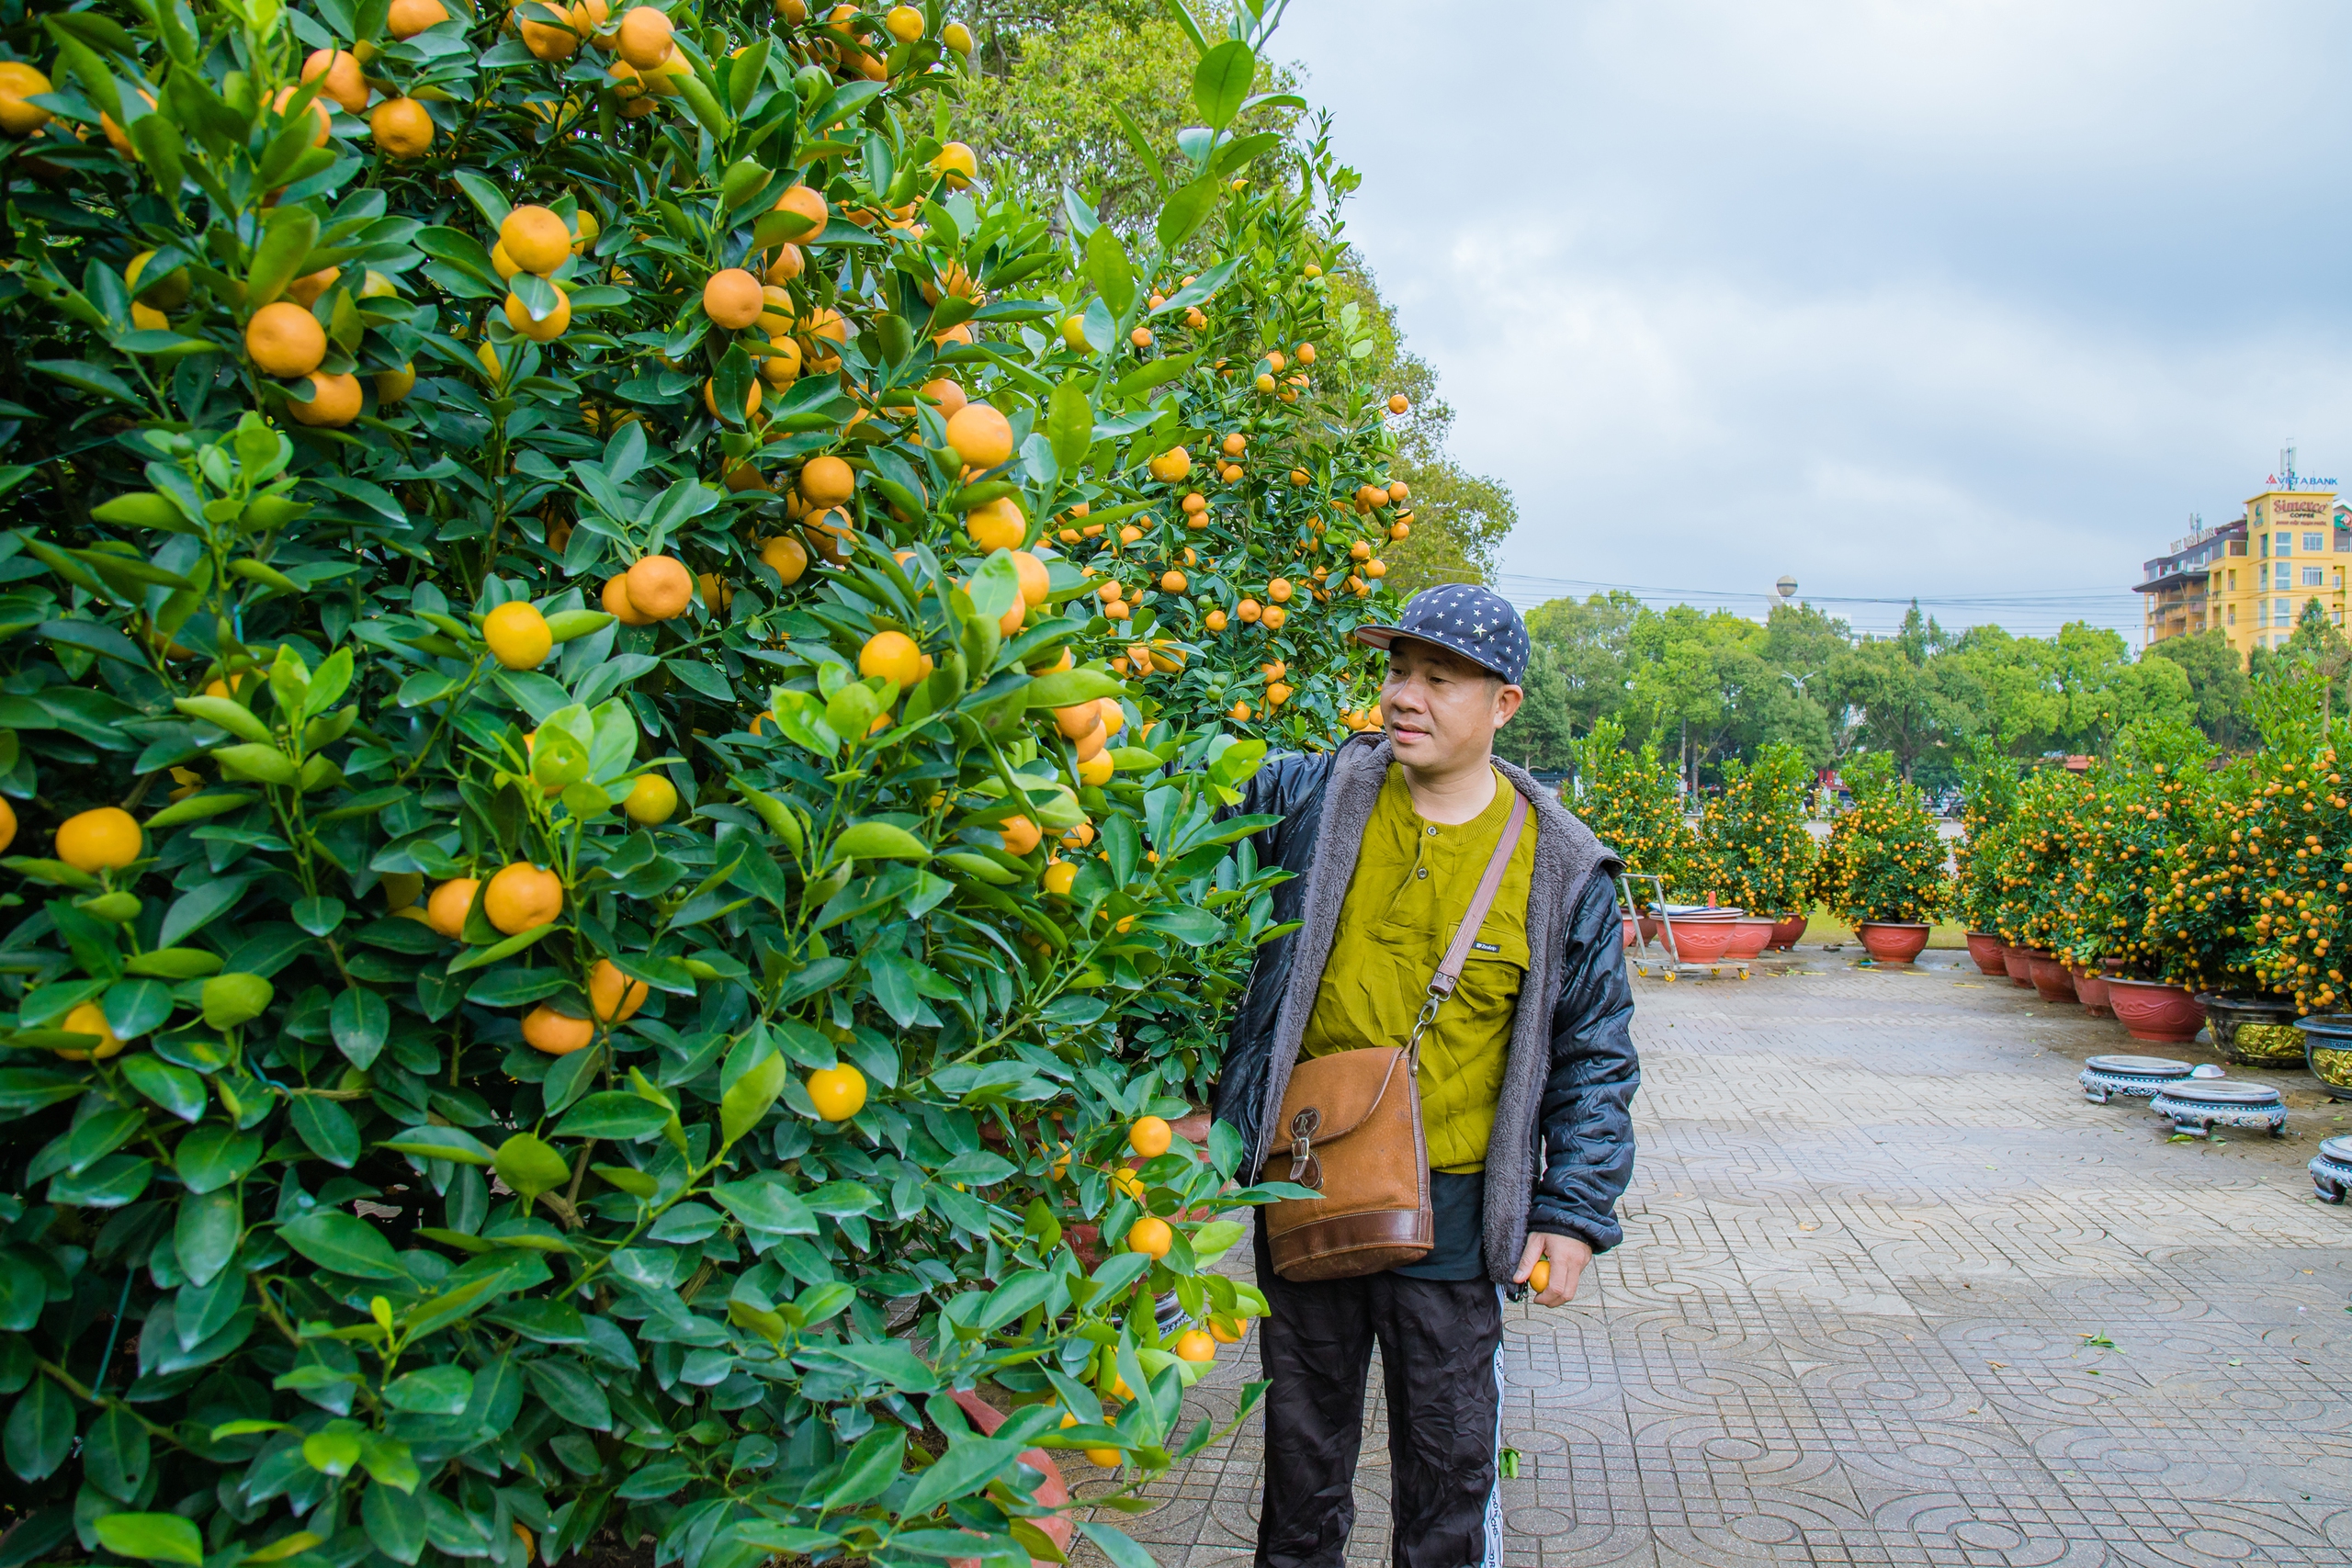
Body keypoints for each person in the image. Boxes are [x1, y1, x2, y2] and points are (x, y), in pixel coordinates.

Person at [1214, 583, 1640, 1568]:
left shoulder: (1560, 865)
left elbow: (1595, 1055)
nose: (1406, 695)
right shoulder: (1311, 798)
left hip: (1452, 1218)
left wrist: (1572, 1216)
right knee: (1298, 1471)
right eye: (1398, 671)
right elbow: (1179, 863)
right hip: (1308, 1185)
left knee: (1448, 1482)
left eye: (1439, 678)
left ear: (1502, 705)